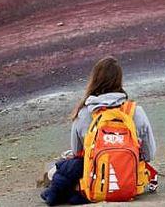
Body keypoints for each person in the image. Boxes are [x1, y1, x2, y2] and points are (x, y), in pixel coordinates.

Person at [41, 57, 157, 205]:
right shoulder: (136, 112)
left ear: (94, 80)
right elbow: (150, 154)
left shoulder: (83, 114)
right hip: (130, 186)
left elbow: (78, 153)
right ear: (120, 81)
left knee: (63, 166)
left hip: (94, 186)